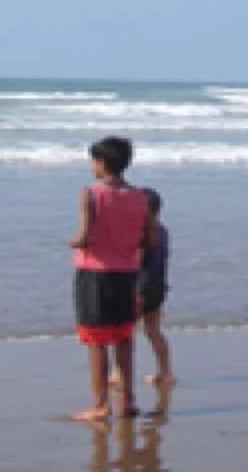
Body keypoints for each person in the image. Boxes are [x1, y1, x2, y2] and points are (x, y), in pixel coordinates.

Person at [69, 136, 156, 422]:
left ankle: (100, 404)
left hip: (95, 273)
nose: (92, 166)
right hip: (126, 273)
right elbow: (150, 240)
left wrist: (73, 242)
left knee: (96, 341)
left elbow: (83, 236)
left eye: (94, 161)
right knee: (123, 338)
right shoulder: (140, 196)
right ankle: (128, 399)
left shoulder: (91, 194)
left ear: (102, 164)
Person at [111, 188, 173, 387]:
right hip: (158, 287)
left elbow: (135, 262)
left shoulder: (141, 233)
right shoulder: (163, 230)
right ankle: (165, 372)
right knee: (153, 331)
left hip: (140, 289)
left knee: (124, 333)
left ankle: (119, 373)